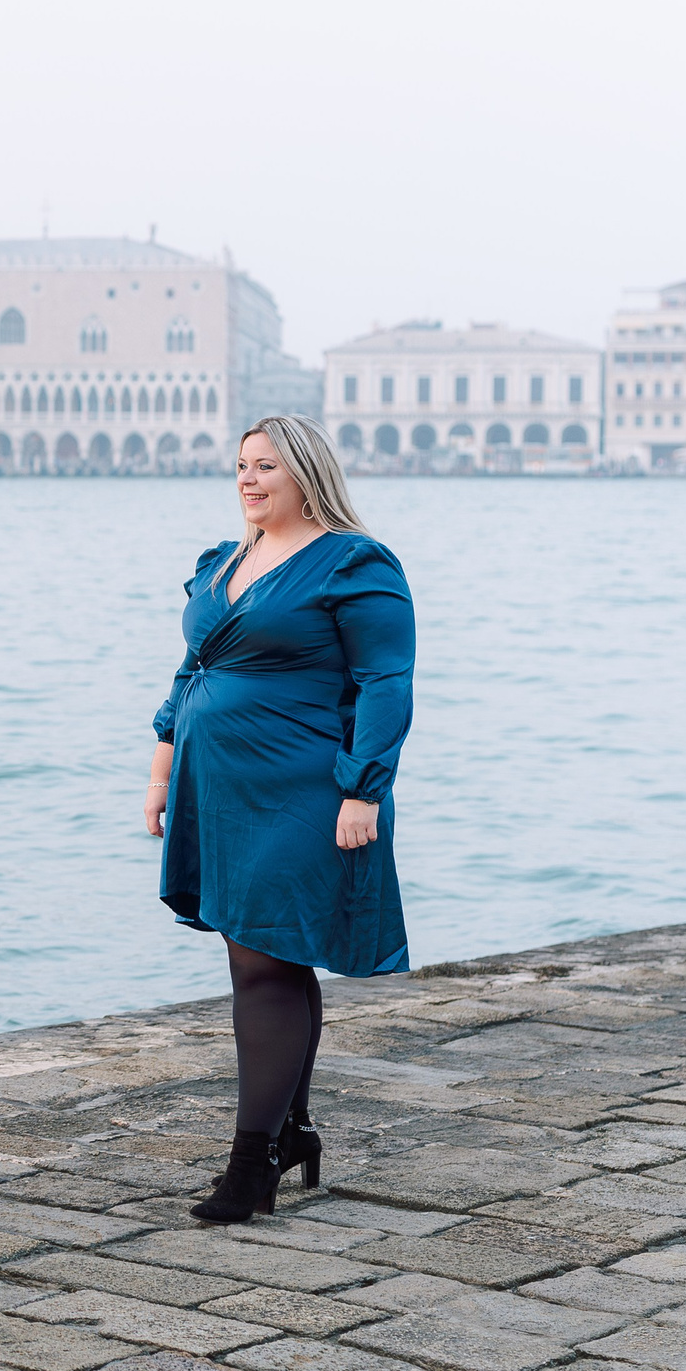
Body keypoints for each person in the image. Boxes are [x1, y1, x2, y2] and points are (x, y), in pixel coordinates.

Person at [145, 414, 416, 1225]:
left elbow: (385, 682)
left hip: (306, 787)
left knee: (264, 962)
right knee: (267, 958)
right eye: (240, 466)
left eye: (266, 466)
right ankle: (290, 1130)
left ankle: (250, 1167)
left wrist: (363, 790)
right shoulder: (224, 561)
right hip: (218, 788)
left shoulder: (355, 563)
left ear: (306, 471)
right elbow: (193, 666)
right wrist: (162, 765)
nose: (248, 479)